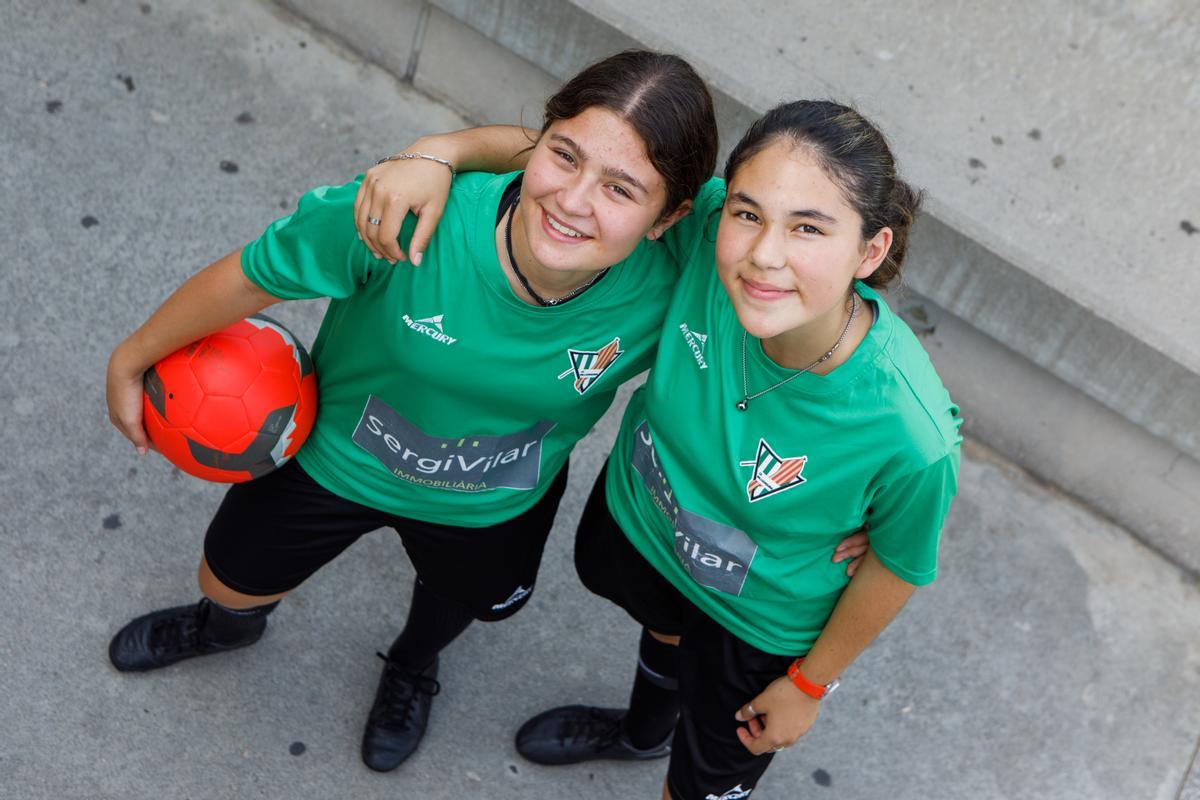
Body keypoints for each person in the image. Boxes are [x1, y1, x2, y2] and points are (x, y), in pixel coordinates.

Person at [105, 50, 719, 773]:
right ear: (538, 138)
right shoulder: (409, 217)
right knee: (227, 580)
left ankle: (411, 667)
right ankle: (224, 629)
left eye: (621, 189)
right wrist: (131, 357)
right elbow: (251, 275)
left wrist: (877, 505)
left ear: (669, 215)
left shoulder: (682, 271)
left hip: (491, 501)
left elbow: (806, 270)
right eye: (564, 156)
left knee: (453, 605)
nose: (574, 200)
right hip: (332, 460)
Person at [356, 100, 960, 798]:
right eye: (749, 213)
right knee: (664, 627)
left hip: (759, 617)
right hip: (647, 527)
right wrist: (439, 153)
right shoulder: (703, 229)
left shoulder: (908, 432)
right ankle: (642, 733)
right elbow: (577, 154)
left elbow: (900, 566)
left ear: (871, 250)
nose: (765, 254)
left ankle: (669, 748)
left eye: (809, 229)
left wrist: (809, 683)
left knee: (701, 784)